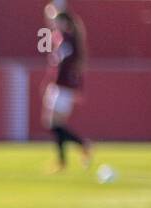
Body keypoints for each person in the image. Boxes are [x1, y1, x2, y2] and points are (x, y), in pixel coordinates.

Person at [43, 2, 91, 172]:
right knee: (53, 124)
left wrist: (78, 88)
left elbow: (73, 66)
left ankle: (79, 147)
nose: (52, 24)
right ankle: (65, 159)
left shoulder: (69, 40)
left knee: (55, 125)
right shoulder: (61, 39)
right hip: (59, 86)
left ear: (63, 22)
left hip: (65, 87)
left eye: (55, 20)